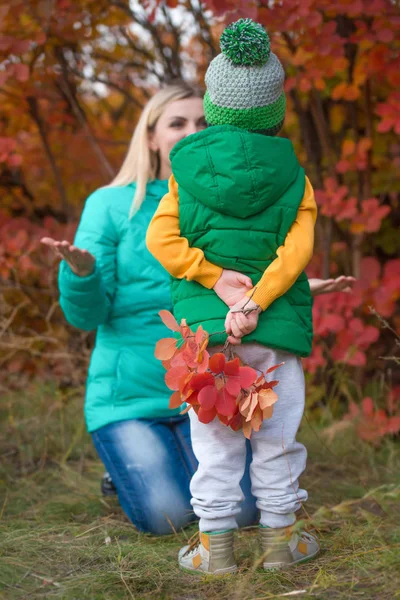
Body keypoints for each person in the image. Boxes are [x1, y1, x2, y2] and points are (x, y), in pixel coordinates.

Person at [41, 80, 355, 538]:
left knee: (245, 513)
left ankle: (171, 466)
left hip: (214, 386)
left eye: (201, 122)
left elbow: (245, 278)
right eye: (176, 122)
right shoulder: (109, 205)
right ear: (151, 135)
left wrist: (300, 288)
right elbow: (85, 317)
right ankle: (127, 466)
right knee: (164, 515)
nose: (191, 131)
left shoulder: (233, 195)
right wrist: (82, 273)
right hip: (132, 399)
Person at [146, 18, 332, 573]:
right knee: (276, 437)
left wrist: (211, 277)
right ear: (273, 112)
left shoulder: (185, 168)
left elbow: (162, 238)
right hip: (273, 330)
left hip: (205, 339)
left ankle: (214, 548)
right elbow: (297, 253)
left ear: (215, 104)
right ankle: (281, 543)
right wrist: (255, 301)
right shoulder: (295, 175)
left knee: (215, 442)